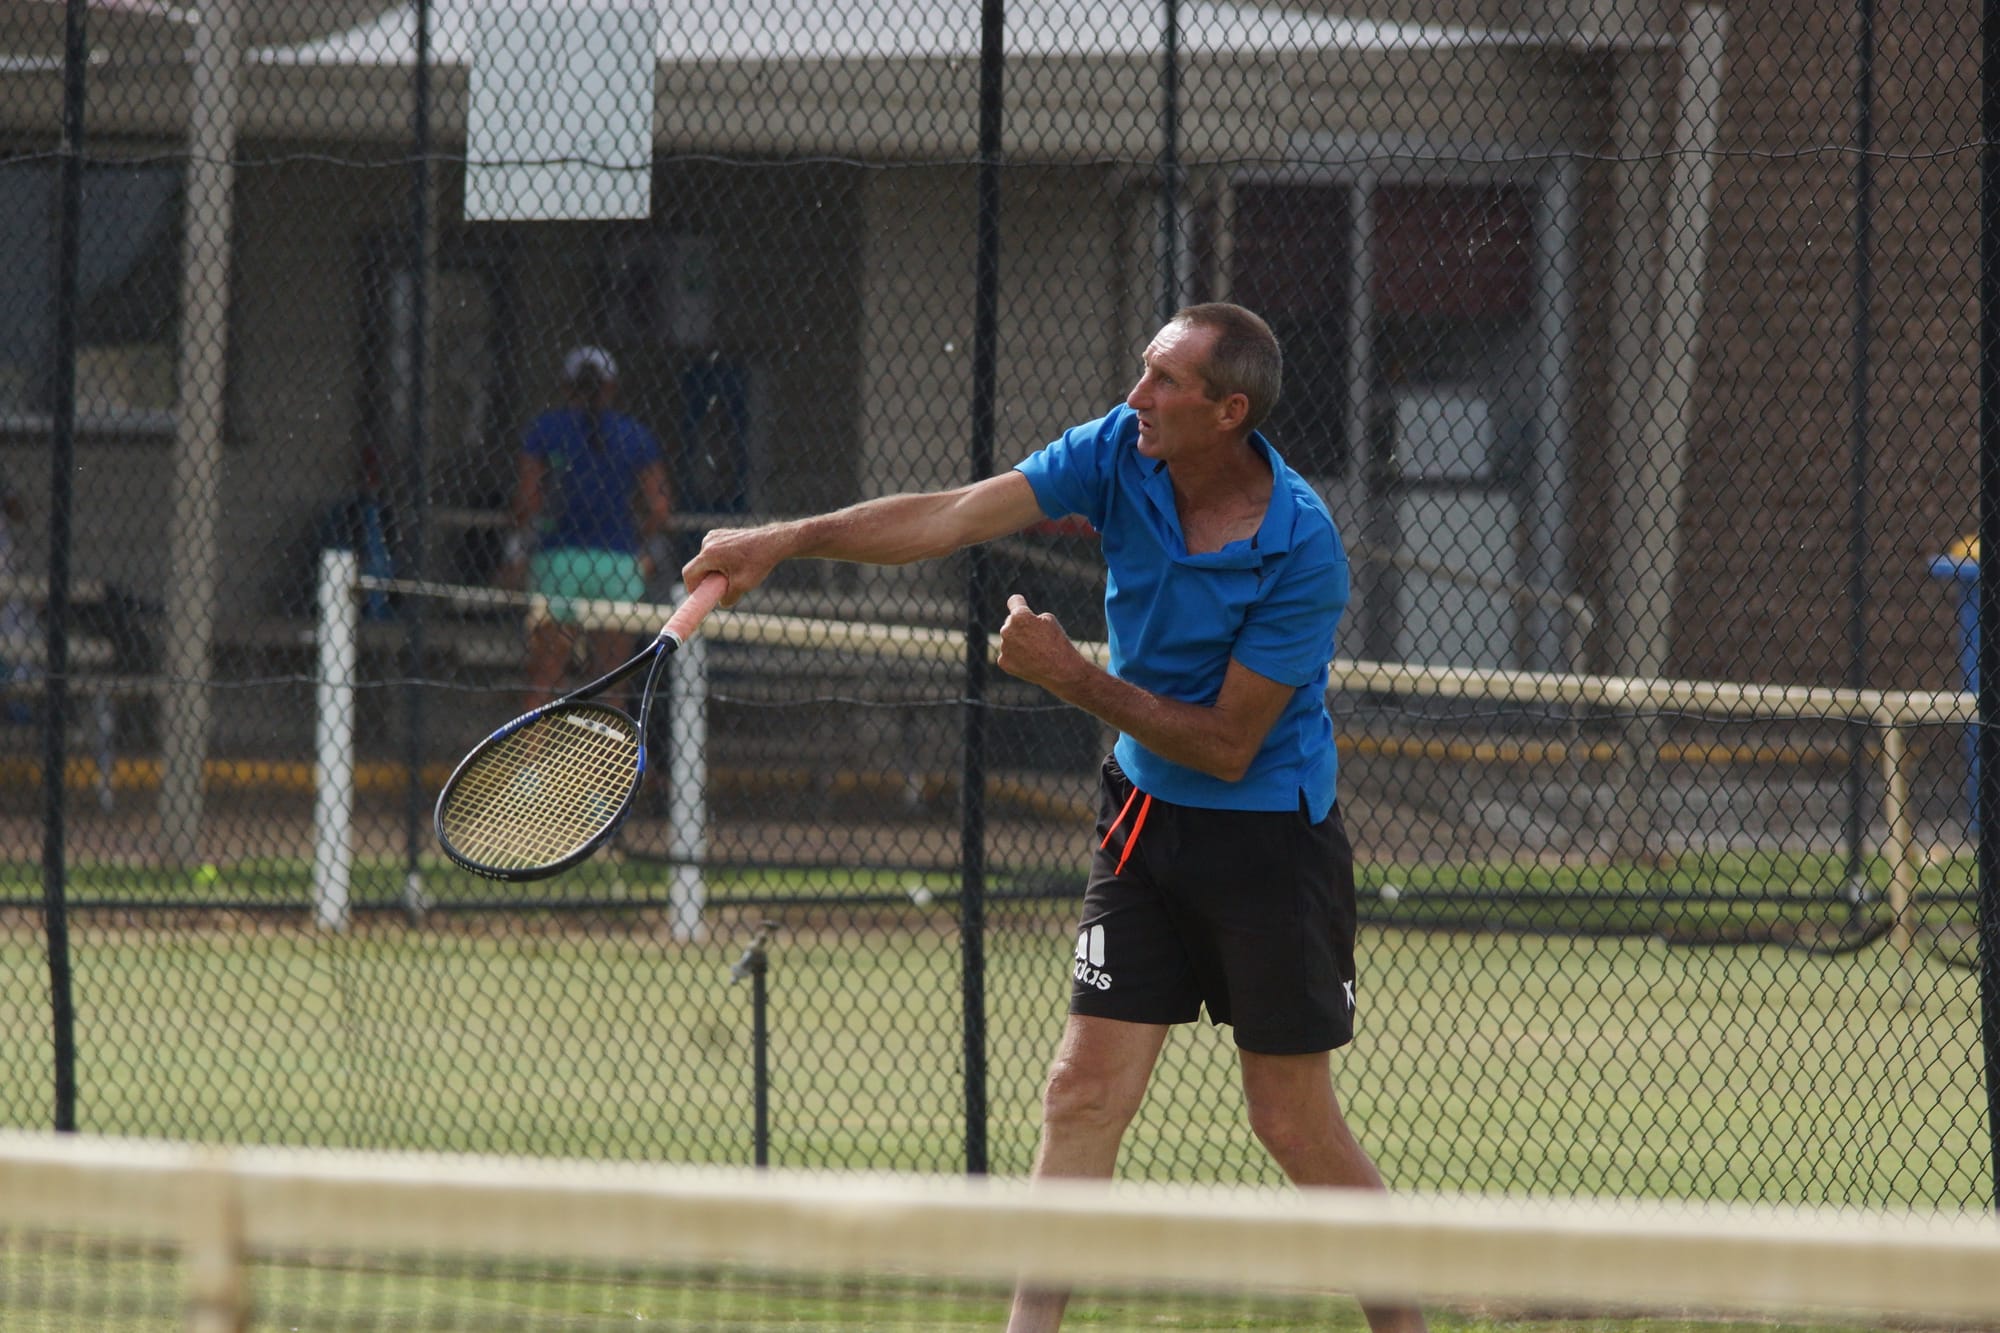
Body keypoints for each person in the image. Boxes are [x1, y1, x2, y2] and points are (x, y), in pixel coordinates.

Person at [681, 303, 1427, 1333]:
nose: (1135, 398)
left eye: (1164, 381)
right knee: (1079, 1090)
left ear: (1229, 411)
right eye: (1141, 373)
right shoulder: (1116, 453)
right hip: (1140, 824)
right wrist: (786, 539)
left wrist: (1071, 677)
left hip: (1267, 839)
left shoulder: (1302, 547)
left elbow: (1224, 744)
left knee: (1291, 1124)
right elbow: (950, 515)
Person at [504, 345, 672, 708]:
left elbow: (528, 501)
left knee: (545, 676)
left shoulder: (545, 430)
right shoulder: (634, 435)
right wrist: (631, 534)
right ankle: (613, 763)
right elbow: (659, 506)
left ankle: (532, 761)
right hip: (617, 564)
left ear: (566, 387)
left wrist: (526, 532)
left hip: (557, 561)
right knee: (613, 679)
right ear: (611, 387)